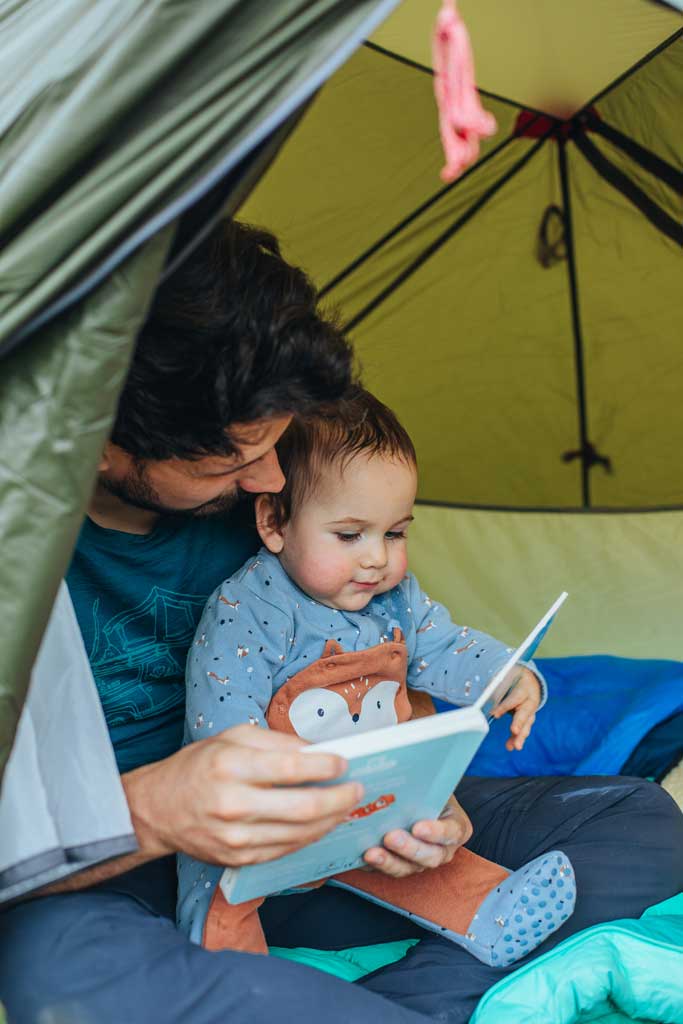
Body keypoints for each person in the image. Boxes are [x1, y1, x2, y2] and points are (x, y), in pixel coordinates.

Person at [1, 220, 682, 1024]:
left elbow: (383, 656)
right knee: (61, 977)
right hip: (121, 877)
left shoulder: (297, 499)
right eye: (230, 460)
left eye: (277, 442)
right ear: (104, 440)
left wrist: (423, 797)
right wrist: (152, 809)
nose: (268, 477)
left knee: (634, 822)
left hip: (329, 842)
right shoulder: (23, 547)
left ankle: (385, 1005)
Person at [178, 387, 576, 966]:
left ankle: (492, 911)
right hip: (269, 819)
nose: (376, 559)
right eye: (349, 535)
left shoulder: (395, 599)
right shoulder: (247, 608)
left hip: (371, 808)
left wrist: (509, 674)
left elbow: (445, 644)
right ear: (274, 522)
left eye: (394, 534)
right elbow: (221, 721)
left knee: (425, 845)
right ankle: (237, 977)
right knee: (221, 897)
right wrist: (267, 799)